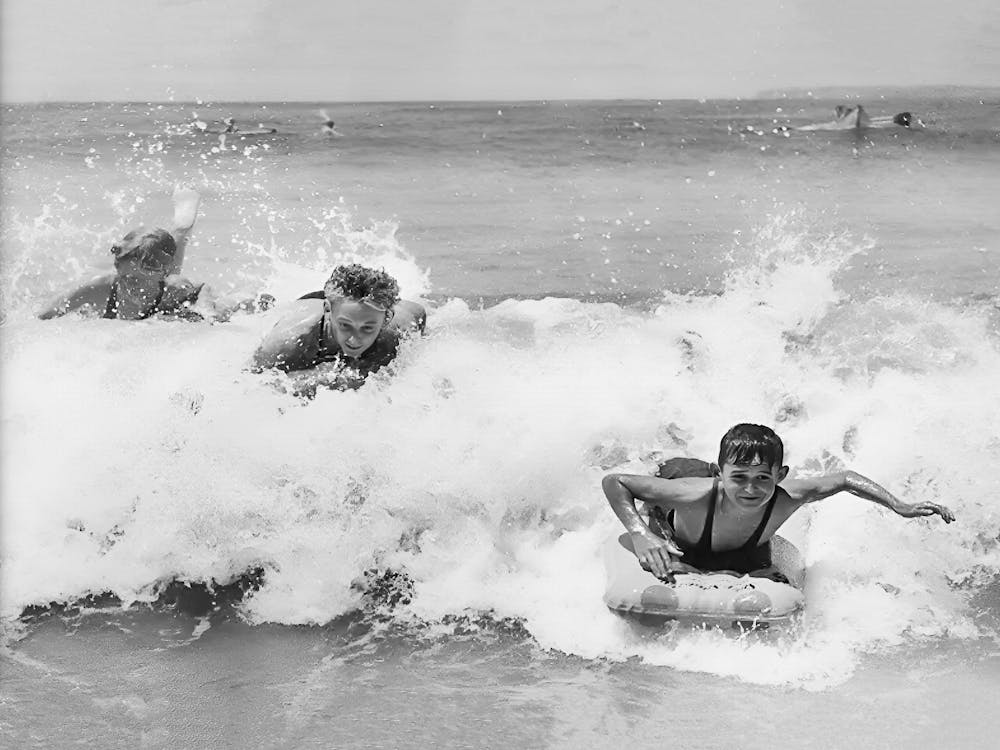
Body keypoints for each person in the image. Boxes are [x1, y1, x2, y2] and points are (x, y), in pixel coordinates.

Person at [602, 423, 954, 583]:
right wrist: (640, 533)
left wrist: (899, 505)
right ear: (721, 474)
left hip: (733, 538)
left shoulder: (787, 498)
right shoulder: (695, 491)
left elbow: (845, 479)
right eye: (738, 478)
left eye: (763, 479)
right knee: (662, 478)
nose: (751, 489)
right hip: (677, 481)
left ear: (780, 475)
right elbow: (616, 481)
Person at [37, 186, 272, 322]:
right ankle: (182, 223)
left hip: (165, 291)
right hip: (156, 273)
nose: (131, 285)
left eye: (138, 279)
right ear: (118, 268)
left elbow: (202, 289)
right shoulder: (101, 288)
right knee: (161, 255)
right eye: (127, 277)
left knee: (218, 314)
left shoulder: (172, 285)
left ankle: (243, 296)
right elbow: (46, 314)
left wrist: (206, 310)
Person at [251, 263, 426, 393]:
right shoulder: (287, 341)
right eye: (345, 326)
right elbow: (251, 386)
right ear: (327, 310)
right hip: (308, 308)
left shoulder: (395, 331)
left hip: (349, 306)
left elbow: (418, 312)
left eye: (367, 328)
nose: (354, 339)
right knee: (264, 305)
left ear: (387, 318)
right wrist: (322, 380)